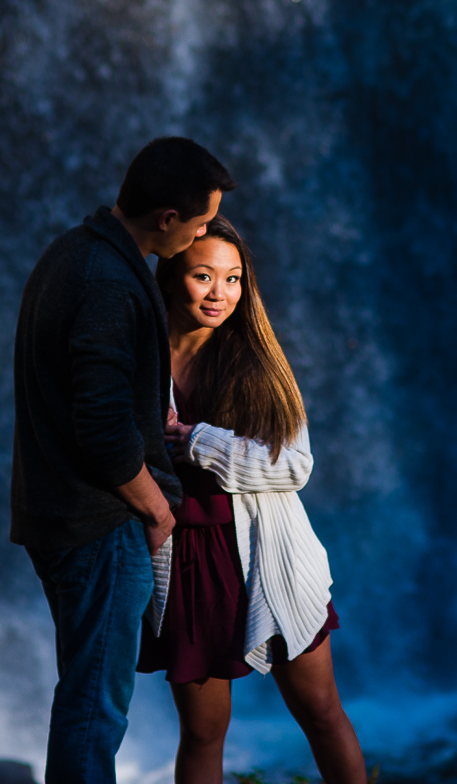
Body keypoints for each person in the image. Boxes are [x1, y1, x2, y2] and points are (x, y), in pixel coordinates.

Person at [10, 136, 237, 784]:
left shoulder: (72, 252)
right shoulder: (111, 283)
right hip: (99, 527)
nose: (199, 236)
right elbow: (104, 428)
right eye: (197, 223)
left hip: (56, 515)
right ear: (166, 218)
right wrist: (158, 510)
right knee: (95, 708)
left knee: (87, 696)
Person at [141, 215, 367, 784]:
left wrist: (196, 440)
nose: (221, 293)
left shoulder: (254, 361)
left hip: (271, 556)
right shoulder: (136, 360)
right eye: (203, 276)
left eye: (233, 278)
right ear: (169, 276)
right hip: (185, 558)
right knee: (202, 733)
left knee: (319, 712)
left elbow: (295, 463)